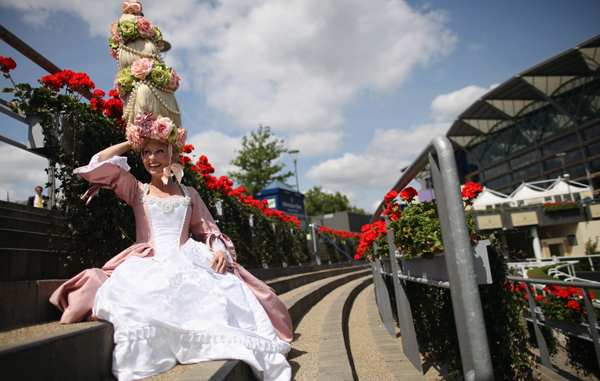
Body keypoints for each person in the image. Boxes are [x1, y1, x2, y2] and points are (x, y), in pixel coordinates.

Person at [49, 2, 292, 380]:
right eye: (146, 153)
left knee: (220, 294)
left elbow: (208, 231)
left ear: (171, 152)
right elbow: (95, 169)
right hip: (147, 260)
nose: (151, 158)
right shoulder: (136, 190)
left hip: (188, 257)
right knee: (141, 301)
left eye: (157, 150)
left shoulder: (190, 194)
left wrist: (217, 251)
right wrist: (130, 143)